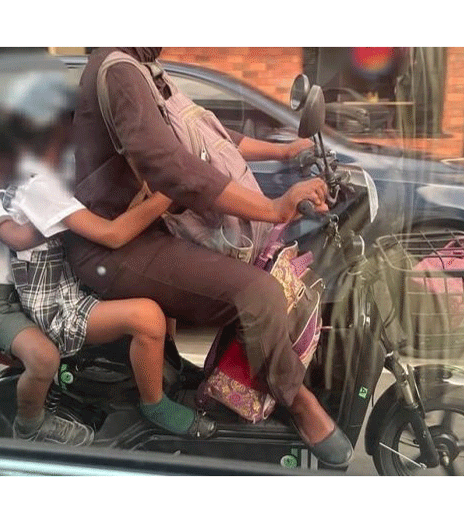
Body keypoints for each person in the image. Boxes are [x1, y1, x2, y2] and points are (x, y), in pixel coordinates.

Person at [68, 47, 353, 465]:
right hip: (117, 246)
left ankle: (240, 383)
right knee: (259, 293)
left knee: (259, 269)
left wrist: (285, 151)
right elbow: (172, 167)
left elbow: (206, 138)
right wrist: (274, 207)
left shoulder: (146, 70)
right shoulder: (119, 71)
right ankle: (299, 402)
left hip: (147, 227)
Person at [3, 73, 215, 438]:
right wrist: (168, 192)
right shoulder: (38, 186)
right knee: (148, 317)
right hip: (57, 305)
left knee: (166, 288)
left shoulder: (57, 174)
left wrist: (152, 194)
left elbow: (111, 219)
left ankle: (170, 371)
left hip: (74, 281)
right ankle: (155, 406)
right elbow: (112, 235)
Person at [0, 120, 93, 446]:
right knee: (44, 358)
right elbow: (19, 239)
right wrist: (59, 215)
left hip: (11, 297)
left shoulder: (2, 195)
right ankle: (31, 425)